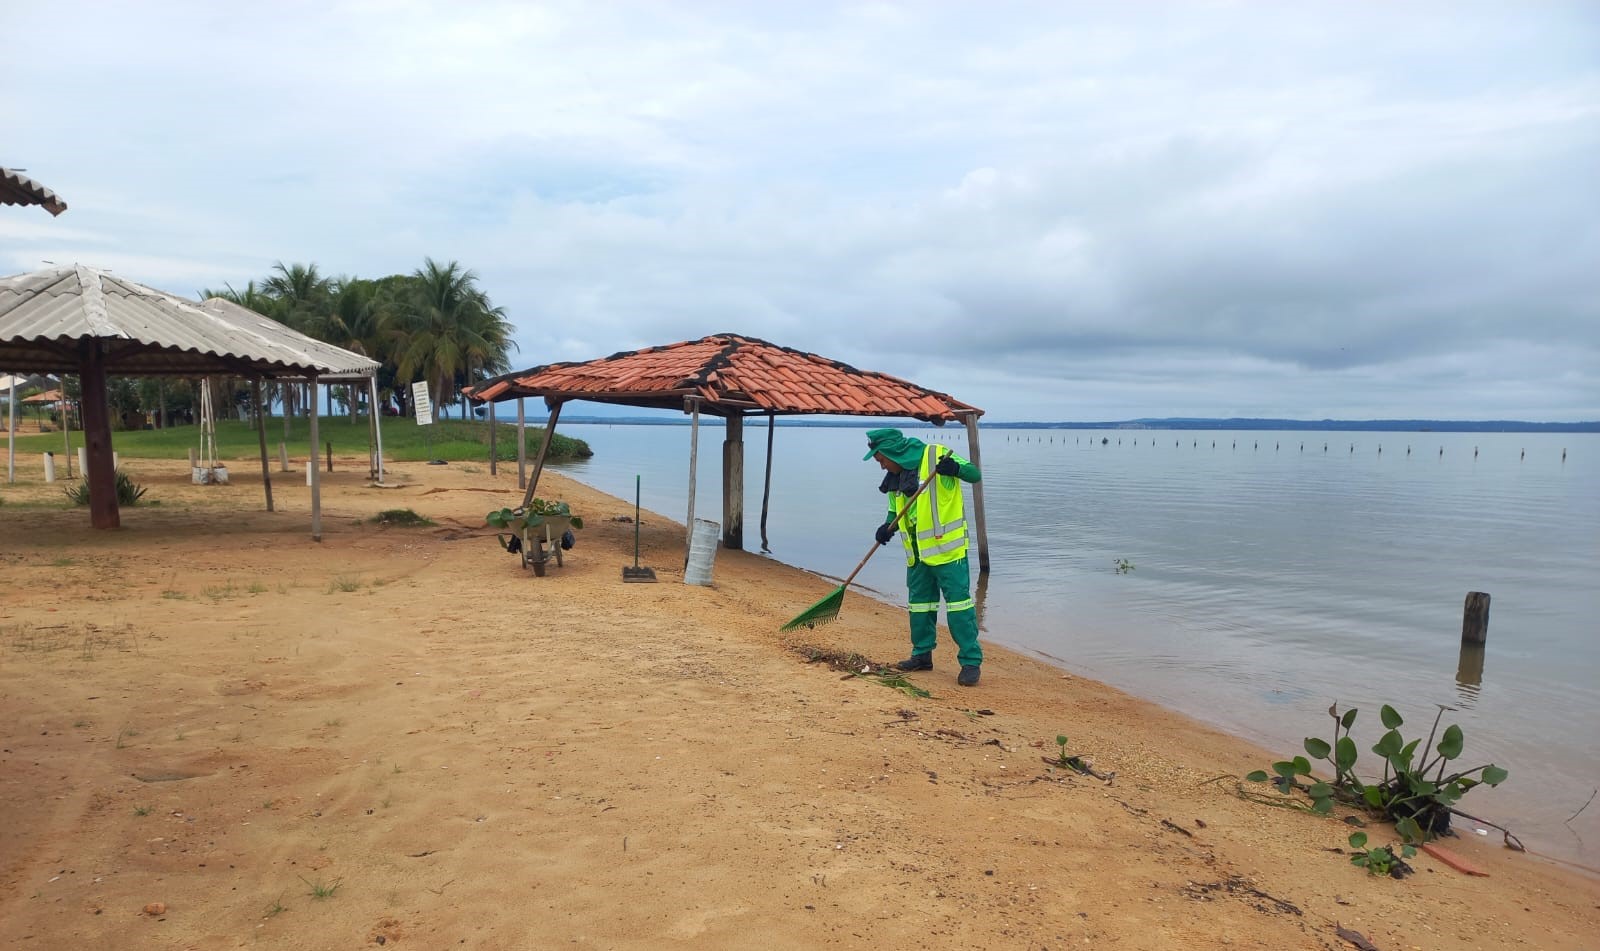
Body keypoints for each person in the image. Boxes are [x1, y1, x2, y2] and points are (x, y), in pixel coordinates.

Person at [863, 427, 984, 686]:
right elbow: (895, 508)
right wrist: (887, 527)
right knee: (920, 607)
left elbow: (974, 474)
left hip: (947, 551)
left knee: (958, 607)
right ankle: (922, 655)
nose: (881, 465)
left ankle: (971, 661)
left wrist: (955, 469)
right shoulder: (896, 477)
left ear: (892, 452)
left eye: (881, 459)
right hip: (916, 553)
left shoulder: (936, 455)